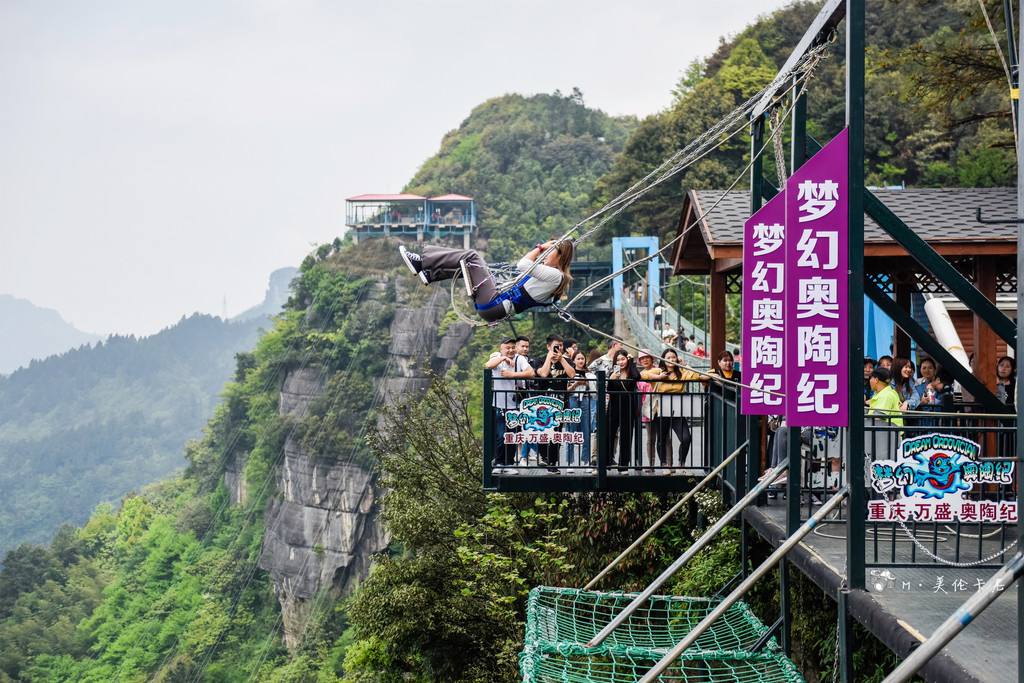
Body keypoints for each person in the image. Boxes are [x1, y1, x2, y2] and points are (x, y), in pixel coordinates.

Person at [398, 240, 574, 322]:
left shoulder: (556, 276)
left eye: (551, 250)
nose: (545, 252)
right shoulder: (553, 275)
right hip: (497, 303)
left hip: (495, 304)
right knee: (477, 268)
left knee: (472, 256)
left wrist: (539, 247)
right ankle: (431, 273)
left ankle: (421, 262)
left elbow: (523, 264)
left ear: (560, 256)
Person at [648, 348, 702, 474]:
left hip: (677, 410)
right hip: (661, 409)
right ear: (663, 359)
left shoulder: (682, 373)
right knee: (661, 438)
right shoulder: (659, 370)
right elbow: (643, 375)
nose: (671, 360)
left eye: (674, 357)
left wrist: (684, 364)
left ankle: (681, 464)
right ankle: (664, 465)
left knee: (686, 438)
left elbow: (695, 376)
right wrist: (658, 377)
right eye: (668, 357)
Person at [484, 336, 532, 475]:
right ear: (501, 349)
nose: (510, 350)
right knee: (500, 435)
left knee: (512, 435)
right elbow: (488, 366)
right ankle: (499, 463)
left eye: (512, 348)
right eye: (507, 348)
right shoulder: (497, 358)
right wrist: (503, 358)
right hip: (500, 404)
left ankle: (509, 464)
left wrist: (512, 375)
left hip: (515, 404)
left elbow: (531, 373)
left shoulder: (520, 359)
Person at [530, 334, 575, 474]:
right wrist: (549, 359)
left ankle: (552, 463)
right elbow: (543, 374)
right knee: (543, 431)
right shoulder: (539, 361)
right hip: (543, 405)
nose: (559, 348)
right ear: (548, 346)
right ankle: (544, 455)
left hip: (560, 404)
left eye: (561, 346)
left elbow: (572, 374)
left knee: (556, 433)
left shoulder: (566, 361)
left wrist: (562, 359)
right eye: (556, 346)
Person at [606, 349, 641, 474]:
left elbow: (638, 377)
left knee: (626, 437)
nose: (620, 362)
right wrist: (611, 379)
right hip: (614, 408)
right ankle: (606, 462)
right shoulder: (613, 373)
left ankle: (623, 466)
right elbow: (609, 390)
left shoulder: (631, 372)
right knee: (609, 435)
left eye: (623, 359)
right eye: (618, 360)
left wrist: (632, 363)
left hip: (628, 408)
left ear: (627, 359)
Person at [566, 351, 596, 473]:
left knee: (586, 431)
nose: (580, 361)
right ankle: (570, 461)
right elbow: (566, 390)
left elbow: (594, 391)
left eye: (582, 358)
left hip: (585, 399)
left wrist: (586, 383)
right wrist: (576, 384)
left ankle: (585, 461)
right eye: (578, 359)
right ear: (573, 360)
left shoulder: (589, 374)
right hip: (572, 399)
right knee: (571, 430)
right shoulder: (570, 373)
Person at [637, 349, 659, 472]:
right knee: (650, 438)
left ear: (652, 359)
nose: (645, 360)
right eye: (642, 358)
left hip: (659, 407)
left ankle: (668, 464)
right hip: (646, 408)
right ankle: (651, 464)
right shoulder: (639, 375)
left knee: (664, 437)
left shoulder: (659, 370)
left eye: (647, 357)